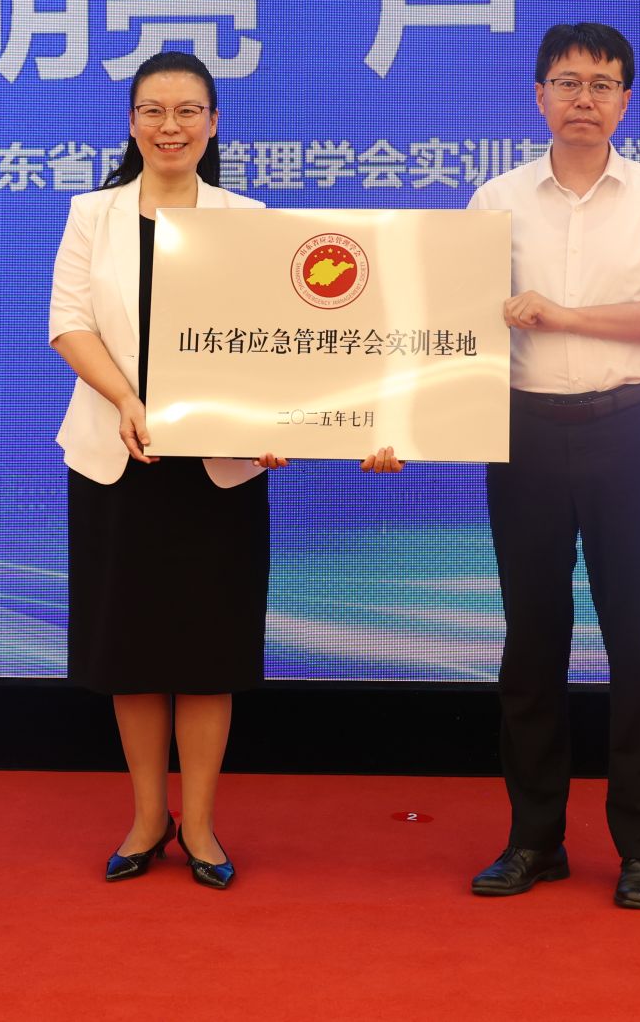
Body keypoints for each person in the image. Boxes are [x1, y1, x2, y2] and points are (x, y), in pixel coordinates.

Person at [47, 50, 399, 891]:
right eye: (154, 110)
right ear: (131, 122)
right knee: (130, 652)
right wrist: (128, 398)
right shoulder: (92, 214)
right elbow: (68, 322)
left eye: (188, 111)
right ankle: (147, 817)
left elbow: (278, 343)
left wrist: (275, 422)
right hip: (119, 457)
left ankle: (199, 824)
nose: (170, 126)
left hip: (217, 470)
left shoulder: (249, 219)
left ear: (213, 123)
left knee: (208, 652)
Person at [464, 22, 640, 910]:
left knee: (638, 644)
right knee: (530, 646)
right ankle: (535, 840)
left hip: (629, 433)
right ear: (538, 95)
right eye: (567, 82)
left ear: (626, 102)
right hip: (524, 435)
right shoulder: (495, 199)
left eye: (602, 85)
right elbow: (453, 322)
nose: (584, 99)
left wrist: (566, 315)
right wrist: (402, 420)